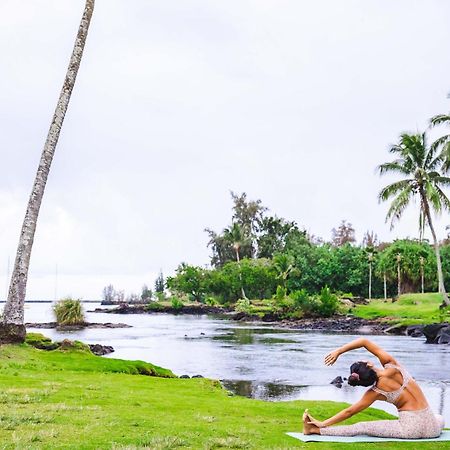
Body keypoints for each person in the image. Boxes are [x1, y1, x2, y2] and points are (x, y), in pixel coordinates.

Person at [302, 338, 445, 438]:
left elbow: (349, 412)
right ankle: (314, 429)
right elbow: (364, 342)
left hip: (410, 430)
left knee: (362, 426)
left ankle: (315, 430)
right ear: (369, 364)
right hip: (432, 428)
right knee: (439, 418)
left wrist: (323, 423)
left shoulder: (375, 392)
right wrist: (339, 351)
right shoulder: (392, 365)